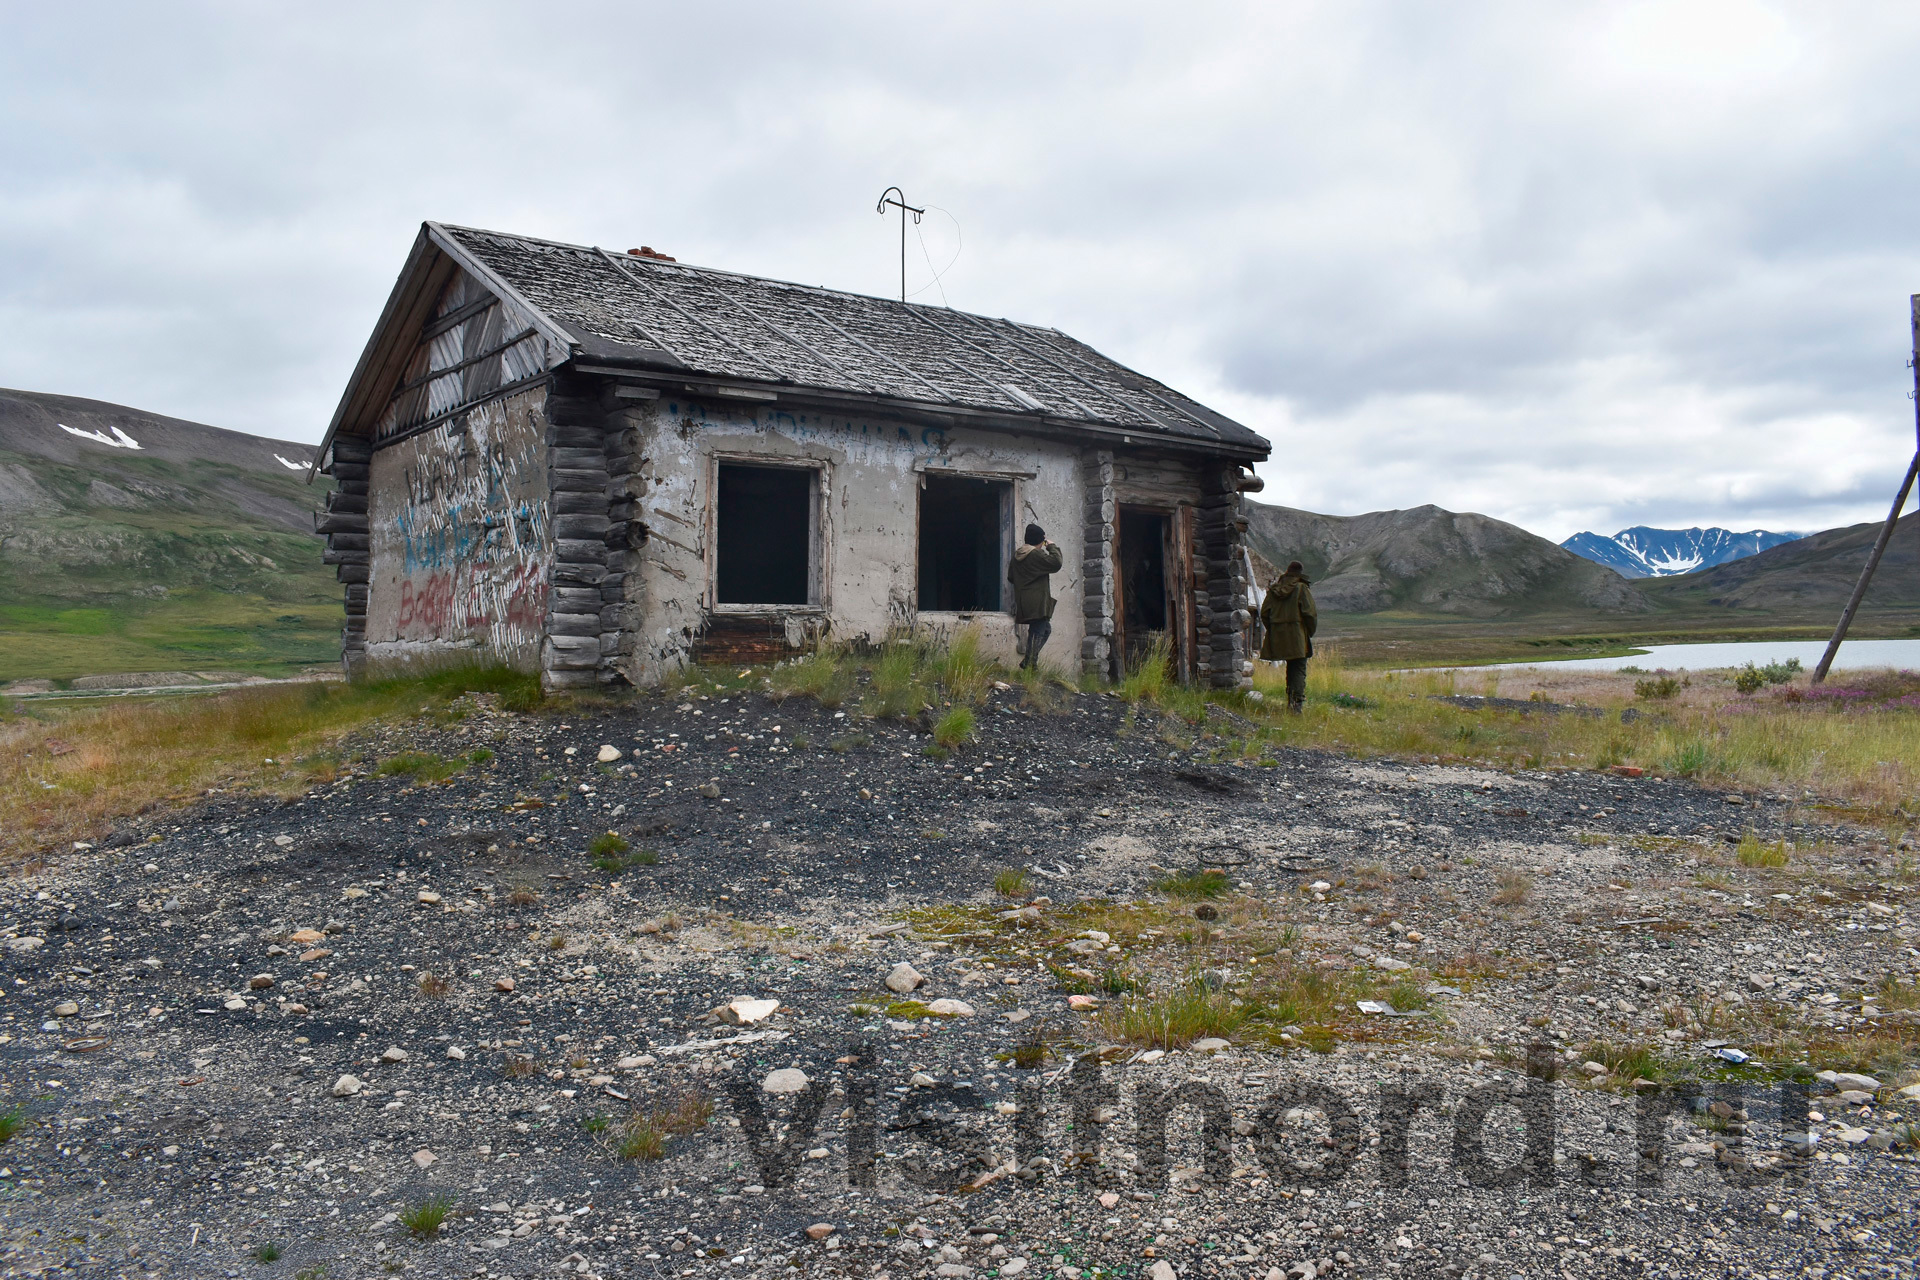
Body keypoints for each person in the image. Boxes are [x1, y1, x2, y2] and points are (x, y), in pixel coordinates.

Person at [1259, 560, 1317, 712]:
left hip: (1278, 636)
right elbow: (1310, 614)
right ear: (1299, 573)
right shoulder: (1301, 588)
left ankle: (1291, 700)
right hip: (1297, 635)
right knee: (1297, 668)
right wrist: (1307, 632)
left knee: (1291, 668)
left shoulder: (1274, 590)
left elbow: (1264, 613)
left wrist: (1274, 629)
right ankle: (1295, 705)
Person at [1008, 523, 1063, 670]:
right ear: (1040, 540)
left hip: (1024, 600)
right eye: (1043, 540)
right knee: (1038, 631)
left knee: (1044, 630)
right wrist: (1051, 546)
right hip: (1037, 601)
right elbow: (1056, 563)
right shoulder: (1035, 554)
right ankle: (1030, 664)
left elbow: (1011, 577)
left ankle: (1030, 661)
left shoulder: (1017, 554)